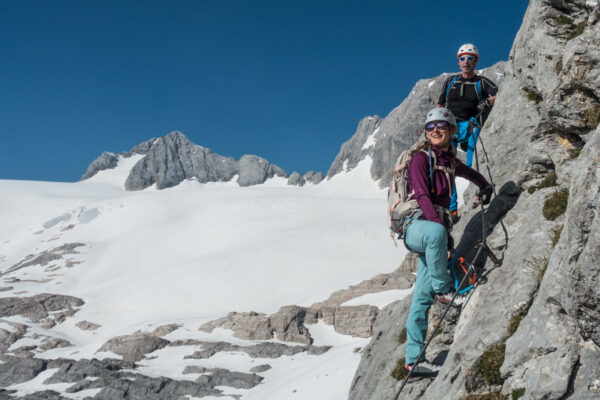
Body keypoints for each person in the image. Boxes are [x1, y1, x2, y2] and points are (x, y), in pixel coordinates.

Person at [402, 107, 493, 377]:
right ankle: (445, 290)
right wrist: (438, 226)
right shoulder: (421, 159)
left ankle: (413, 361)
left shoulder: (450, 162)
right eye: (431, 127)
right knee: (436, 235)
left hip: (433, 233)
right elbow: (421, 195)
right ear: (426, 134)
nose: (436, 130)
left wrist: (485, 185)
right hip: (417, 227)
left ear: (452, 130)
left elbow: (470, 174)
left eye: (442, 126)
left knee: (420, 299)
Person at [437, 43, 498, 222]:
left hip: (471, 124)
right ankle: (452, 208)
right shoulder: (450, 81)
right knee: (447, 166)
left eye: (470, 58)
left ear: (476, 61)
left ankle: (479, 191)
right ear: (458, 62)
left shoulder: (482, 82)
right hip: (450, 126)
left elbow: (500, 93)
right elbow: (440, 103)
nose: (466, 62)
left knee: (471, 160)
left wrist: (488, 101)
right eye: (462, 58)